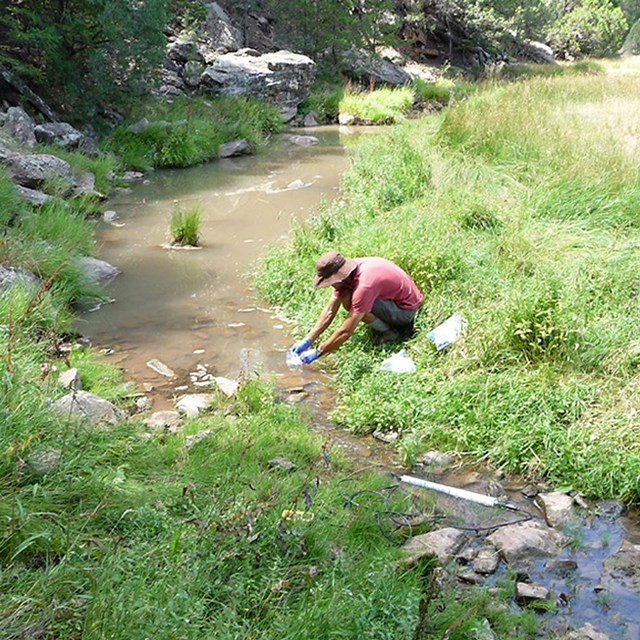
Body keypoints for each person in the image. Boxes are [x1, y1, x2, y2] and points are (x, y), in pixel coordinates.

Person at [290, 251, 423, 364]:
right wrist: (308, 339)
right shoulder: (351, 273)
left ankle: (389, 333)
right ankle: (383, 325)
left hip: (405, 310)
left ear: (340, 278)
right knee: (348, 297)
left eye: (331, 283)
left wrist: (319, 351)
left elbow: (346, 331)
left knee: (355, 305)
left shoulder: (364, 286)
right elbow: (330, 310)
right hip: (390, 299)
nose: (331, 286)